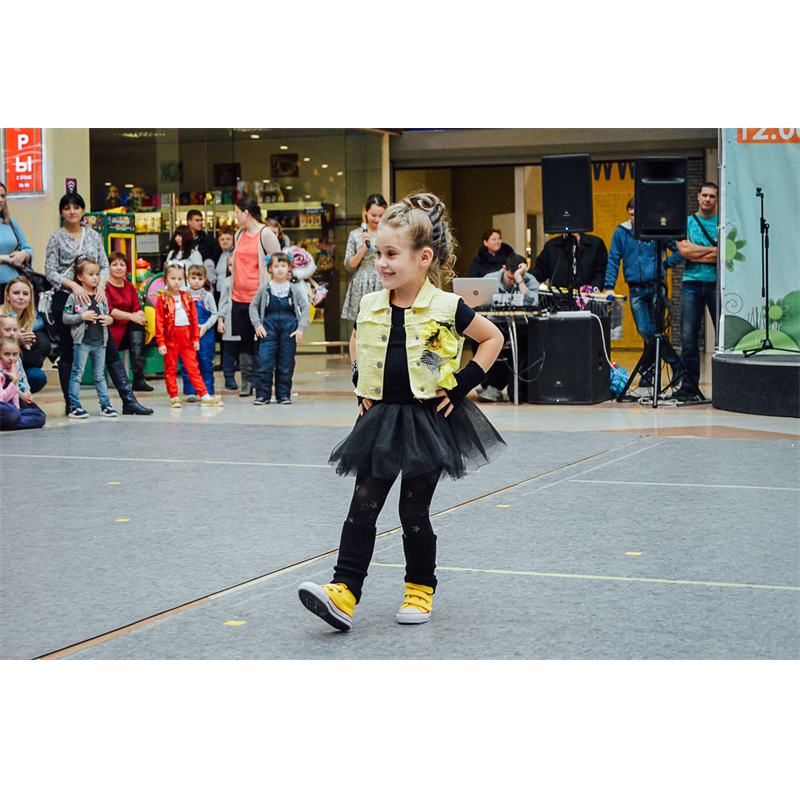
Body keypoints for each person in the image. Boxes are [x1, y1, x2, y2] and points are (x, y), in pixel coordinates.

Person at [297, 192, 506, 632]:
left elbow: (492, 339)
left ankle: (419, 588)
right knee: (363, 504)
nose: (382, 263)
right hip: (381, 420)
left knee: (412, 512)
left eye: (391, 254)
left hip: (428, 421)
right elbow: (359, 340)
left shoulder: (448, 307)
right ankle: (343, 590)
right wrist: (361, 384)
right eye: (378, 253)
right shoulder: (372, 303)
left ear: (423, 257)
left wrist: (462, 383)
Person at [45, 192, 152, 415]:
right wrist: (73, 286)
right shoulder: (56, 238)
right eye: (67, 208)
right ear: (62, 212)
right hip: (67, 297)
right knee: (69, 352)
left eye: (76, 207)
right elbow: (50, 271)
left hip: (94, 298)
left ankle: (128, 400)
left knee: (109, 347)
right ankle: (71, 403)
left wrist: (101, 285)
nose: (72, 211)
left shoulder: (93, 235)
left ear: (83, 210)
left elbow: (104, 264)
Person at [604, 198, 681, 386]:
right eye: (631, 214)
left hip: (656, 286)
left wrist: (665, 264)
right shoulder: (621, 232)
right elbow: (613, 259)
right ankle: (674, 363)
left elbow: (680, 250)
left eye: (637, 214)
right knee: (645, 330)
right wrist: (609, 286)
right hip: (636, 290)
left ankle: (648, 374)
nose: (634, 218)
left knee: (655, 331)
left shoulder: (656, 230)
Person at [230, 196, 281, 397]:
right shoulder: (238, 234)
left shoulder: (265, 233)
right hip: (239, 296)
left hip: (259, 297)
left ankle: (262, 381)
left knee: (262, 340)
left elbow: (278, 262)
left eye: (237, 212)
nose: (235, 216)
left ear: (246, 213)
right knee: (243, 340)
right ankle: (246, 381)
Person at [155, 264, 223, 408]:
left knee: (193, 367)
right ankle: (174, 396)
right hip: (171, 339)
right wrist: (161, 342)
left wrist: (196, 338)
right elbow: (159, 321)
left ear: (183, 280)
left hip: (187, 338)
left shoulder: (187, 296)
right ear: (166, 279)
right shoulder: (163, 299)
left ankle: (204, 395)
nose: (176, 282)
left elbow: (193, 318)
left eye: (179, 279)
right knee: (171, 368)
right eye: (173, 278)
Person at [673, 182, 719, 401]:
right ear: (698, 196)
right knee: (688, 339)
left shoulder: (723, 223)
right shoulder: (687, 223)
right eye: (705, 195)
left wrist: (697, 252)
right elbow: (684, 251)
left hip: (717, 284)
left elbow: (726, 253)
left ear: (717, 199)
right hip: (691, 284)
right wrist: (713, 251)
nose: (708, 199)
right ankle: (689, 387)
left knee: (722, 339)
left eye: (712, 196)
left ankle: (724, 385)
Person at [475, 254, 539, 402]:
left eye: (514, 278)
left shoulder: (529, 280)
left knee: (525, 342)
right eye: (510, 278)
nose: (512, 282)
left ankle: (517, 389)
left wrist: (519, 279)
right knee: (482, 340)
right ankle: (491, 386)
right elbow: (478, 301)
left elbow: (533, 302)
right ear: (504, 268)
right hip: (495, 323)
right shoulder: (489, 279)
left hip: (521, 324)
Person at [249, 251, 310, 405]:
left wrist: (300, 328)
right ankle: (263, 395)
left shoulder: (293, 289)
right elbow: (253, 306)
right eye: (276, 266)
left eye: (283, 266)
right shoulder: (264, 289)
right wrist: (258, 325)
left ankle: (283, 395)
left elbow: (305, 308)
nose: (280, 269)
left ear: (289, 267)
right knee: (264, 362)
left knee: (286, 363)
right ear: (270, 268)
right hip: (268, 329)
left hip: (289, 330)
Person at [62, 257, 117, 418]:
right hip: (82, 343)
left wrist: (109, 320)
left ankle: (106, 405)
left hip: (100, 342)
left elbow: (108, 314)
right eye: (91, 274)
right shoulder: (74, 297)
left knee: (99, 375)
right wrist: (82, 316)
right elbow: (66, 317)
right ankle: (74, 406)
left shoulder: (101, 296)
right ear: (80, 277)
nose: (95, 278)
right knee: (77, 374)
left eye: (97, 274)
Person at [106, 252, 152, 392]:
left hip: (129, 333)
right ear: (108, 267)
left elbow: (137, 307)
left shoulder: (129, 286)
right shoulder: (105, 287)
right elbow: (110, 311)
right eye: (114, 265)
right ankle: (138, 370)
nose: (119, 268)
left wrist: (140, 315)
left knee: (138, 325)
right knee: (135, 324)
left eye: (122, 265)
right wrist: (132, 316)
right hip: (112, 332)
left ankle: (138, 374)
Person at [340, 194, 387, 322]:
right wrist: (363, 249)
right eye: (373, 215)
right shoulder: (355, 234)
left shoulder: (388, 233)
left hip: (384, 278)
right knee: (361, 322)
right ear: (365, 212)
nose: (377, 219)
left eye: (381, 216)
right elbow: (349, 265)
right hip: (362, 282)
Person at [2, 276, 49, 392]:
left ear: (30, 298)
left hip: (15, 364)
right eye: (16, 293)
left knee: (37, 376)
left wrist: (24, 344)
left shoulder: (31, 320)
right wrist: (14, 339)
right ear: (7, 296)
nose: (21, 297)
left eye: (25, 294)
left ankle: (20, 395)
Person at [181, 264, 218, 401]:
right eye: (193, 278)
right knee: (188, 363)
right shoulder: (183, 296)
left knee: (205, 362)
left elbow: (215, 314)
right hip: (187, 335)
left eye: (200, 278)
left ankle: (207, 391)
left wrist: (206, 326)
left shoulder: (208, 296)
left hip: (205, 335)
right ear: (187, 279)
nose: (196, 281)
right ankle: (190, 391)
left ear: (205, 280)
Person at [531, 231, 608, 292]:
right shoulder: (551, 246)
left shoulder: (595, 245)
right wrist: (525, 275)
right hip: (558, 300)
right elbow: (540, 270)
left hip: (588, 301)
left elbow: (601, 273)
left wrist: (591, 291)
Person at [0, 313, 43, 413]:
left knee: (39, 415)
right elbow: (8, 383)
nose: (12, 333)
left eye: (15, 330)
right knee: (16, 415)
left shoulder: (16, 349)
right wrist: (21, 395)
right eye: (7, 330)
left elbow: (22, 375)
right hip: (7, 395)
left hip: (19, 393)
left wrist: (27, 392)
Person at [0, 337, 46, 430]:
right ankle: (12, 420)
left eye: (15, 354)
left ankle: (9, 422)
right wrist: (14, 381)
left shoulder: (16, 365)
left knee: (40, 416)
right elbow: (2, 399)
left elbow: (16, 394)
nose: (11, 358)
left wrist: (18, 409)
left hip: (9, 408)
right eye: (7, 354)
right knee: (12, 414)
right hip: (2, 404)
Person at [0, 182, 35, 288]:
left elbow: (27, 249)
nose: (0, 200)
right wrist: (5, 258)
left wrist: (23, 254)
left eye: (2, 196)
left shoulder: (10, 222)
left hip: (13, 284)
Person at [216, 255, 240, 390]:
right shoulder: (226, 282)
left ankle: (250, 378)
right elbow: (223, 302)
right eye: (230, 265)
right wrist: (220, 320)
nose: (233, 268)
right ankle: (229, 377)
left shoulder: (250, 280)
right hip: (230, 318)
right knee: (229, 349)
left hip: (246, 317)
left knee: (248, 351)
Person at [186, 209, 221, 285]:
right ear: (189, 222)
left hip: (204, 278)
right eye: (197, 220)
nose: (200, 223)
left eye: (201, 220)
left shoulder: (209, 240)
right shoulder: (182, 239)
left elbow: (217, 255)